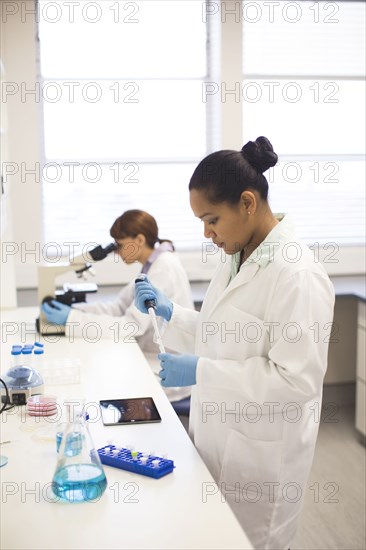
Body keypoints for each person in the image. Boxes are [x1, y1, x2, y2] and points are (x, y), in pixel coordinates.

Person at [135, 137, 335, 549]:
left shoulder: (298, 276)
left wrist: (201, 371)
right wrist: (172, 314)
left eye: (211, 219)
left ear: (247, 203)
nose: (207, 233)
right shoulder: (237, 254)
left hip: (261, 462)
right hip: (217, 439)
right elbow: (222, 332)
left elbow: (296, 384)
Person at [42, 209, 194, 402]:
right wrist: (75, 311)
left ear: (139, 239)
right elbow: (118, 307)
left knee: (99, 380)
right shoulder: (152, 265)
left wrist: (72, 320)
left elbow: (131, 326)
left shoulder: (163, 268)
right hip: (148, 357)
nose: (116, 251)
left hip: (164, 369)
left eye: (120, 245)